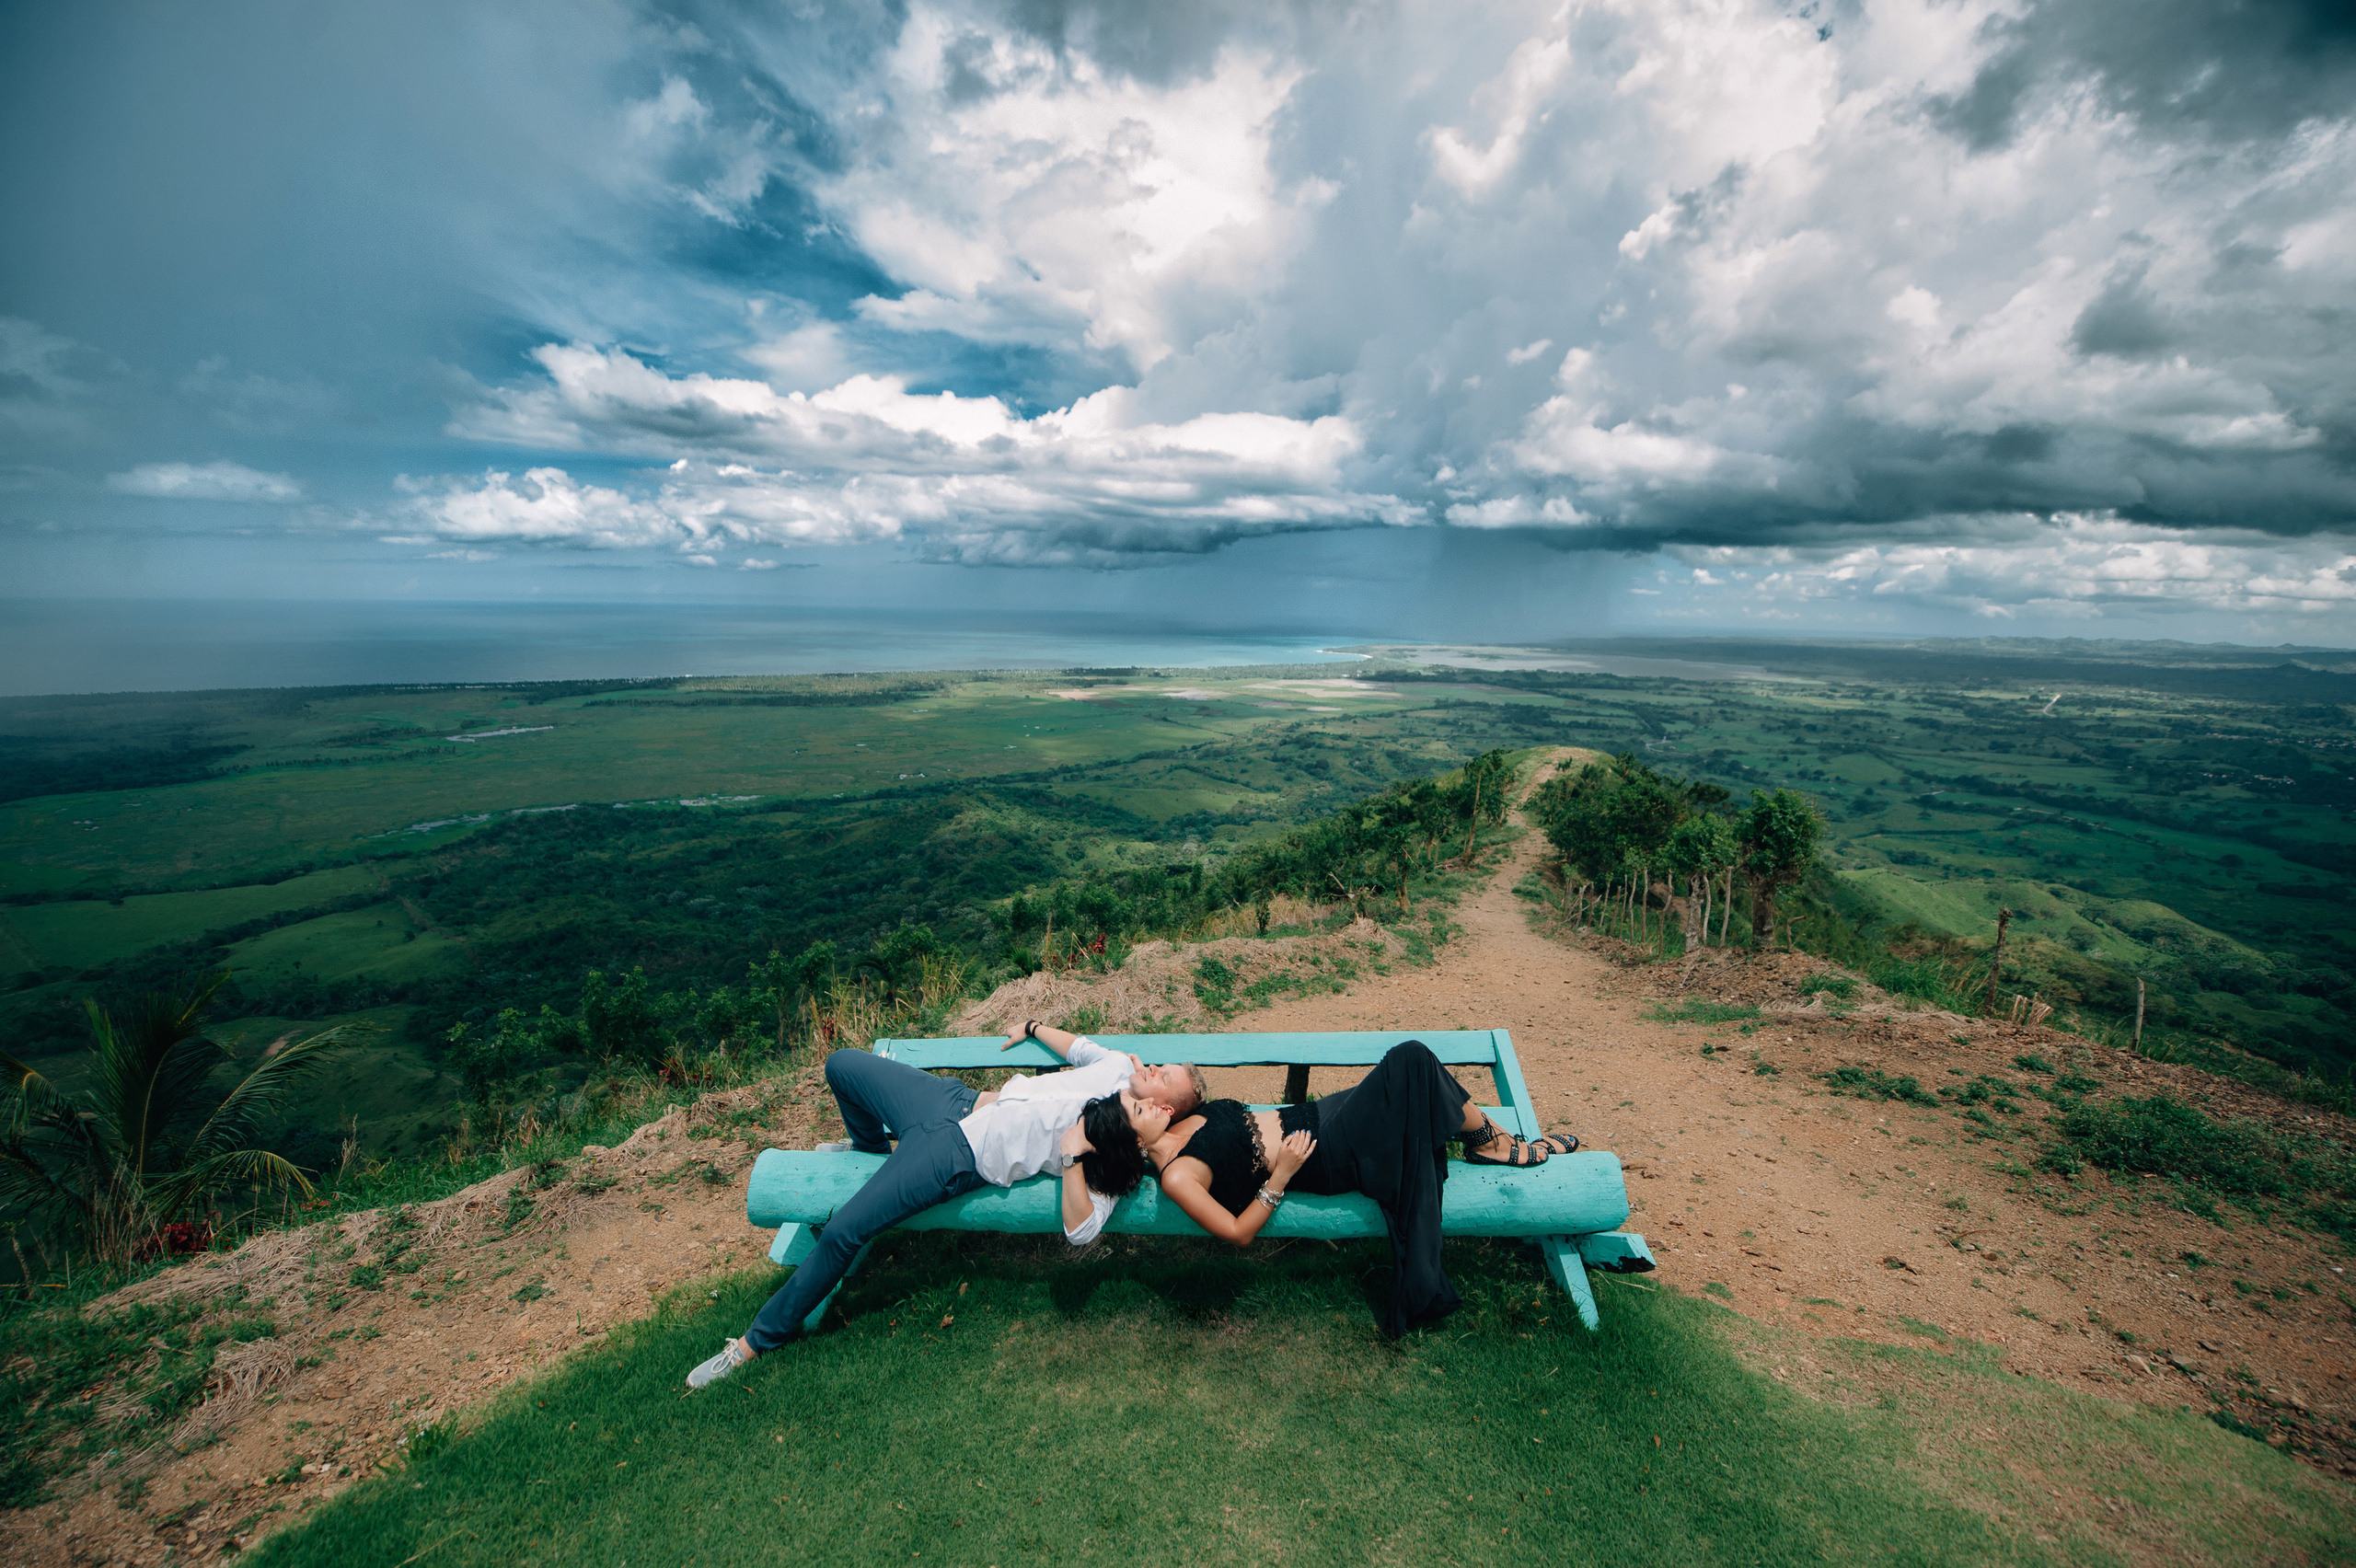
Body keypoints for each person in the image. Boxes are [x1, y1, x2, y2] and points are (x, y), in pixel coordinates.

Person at [686, 1020, 1204, 1388]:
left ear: (1162, 1107)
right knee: (842, 1065)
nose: (1151, 1065)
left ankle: (754, 1343)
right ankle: (869, 1153)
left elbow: (1083, 1231)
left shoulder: (1110, 1150)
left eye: (1162, 1076)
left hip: (954, 1154)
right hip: (951, 1101)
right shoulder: (1116, 1068)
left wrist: (1071, 1158)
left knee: (846, 1229)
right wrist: (1032, 1025)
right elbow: (1078, 1046)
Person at [1143, 1039, 1576, 1339]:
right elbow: (1238, 1233)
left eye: (1154, 1082)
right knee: (1411, 1060)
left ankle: (1495, 1144)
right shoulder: (1177, 1173)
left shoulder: (1177, 1123)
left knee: (1414, 1083)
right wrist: (1282, 1175)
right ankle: (1498, 1146)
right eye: (1135, 1106)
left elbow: (1112, 1072)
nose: (1146, 1083)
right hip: (1324, 1153)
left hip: (1316, 1115)